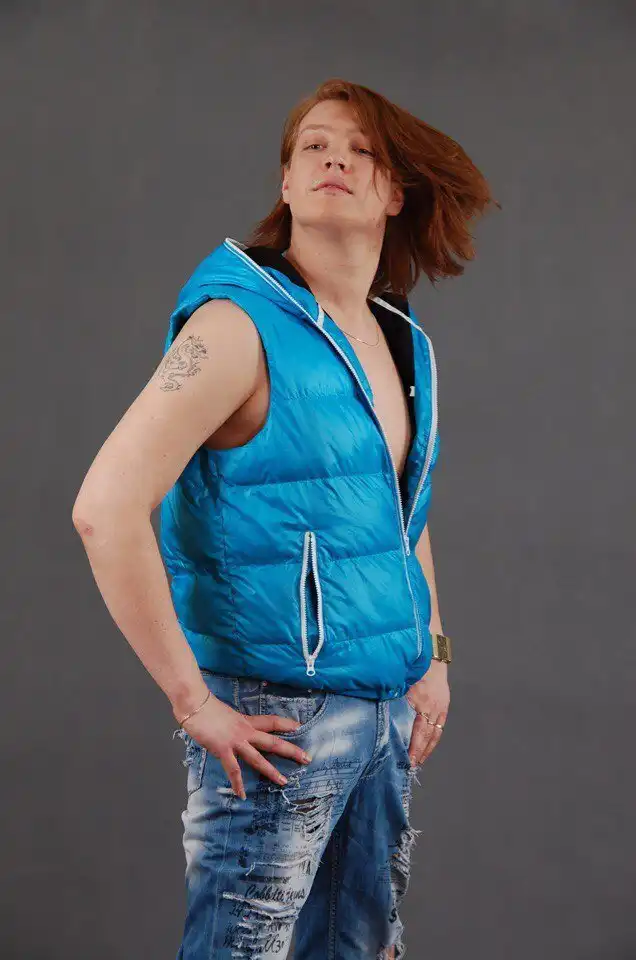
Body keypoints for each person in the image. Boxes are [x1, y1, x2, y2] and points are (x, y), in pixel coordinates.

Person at [73, 78, 495, 959]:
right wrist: (193, 702)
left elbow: (401, 510)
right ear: (288, 183)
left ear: (394, 192)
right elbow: (105, 508)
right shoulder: (236, 327)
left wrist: (434, 654)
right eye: (315, 145)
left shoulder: (400, 340)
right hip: (277, 725)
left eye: (363, 150)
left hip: (385, 716)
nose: (336, 158)